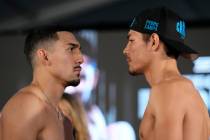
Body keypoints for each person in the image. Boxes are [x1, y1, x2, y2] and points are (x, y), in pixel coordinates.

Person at [123, 7, 209, 140]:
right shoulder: (190, 92)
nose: (125, 50)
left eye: (131, 40)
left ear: (153, 41)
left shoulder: (167, 89)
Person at [1, 27, 84, 140]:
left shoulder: (65, 121)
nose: (81, 59)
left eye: (79, 50)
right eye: (71, 49)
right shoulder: (28, 106)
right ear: (45, 56)